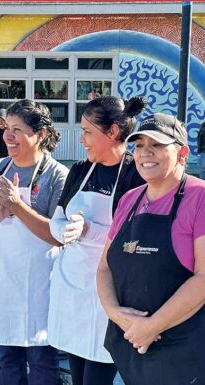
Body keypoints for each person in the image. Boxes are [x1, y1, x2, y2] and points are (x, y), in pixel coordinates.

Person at [96, 113, 205, 385]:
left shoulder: (203, 197)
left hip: (183, 347)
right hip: (131, 341)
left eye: (156, 145)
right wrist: (115, 314)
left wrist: (151, 327)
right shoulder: (130, 199)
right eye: (139, 145)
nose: (145, 153)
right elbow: (105, 267)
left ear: (182, 153)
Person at [0, 99, 68, 385]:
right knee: (6, 363)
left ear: (41, 135)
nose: (8, 136)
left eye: (18, 130)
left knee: (43, 364)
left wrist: (18, 206)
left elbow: (57, 235)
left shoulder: (58, 176)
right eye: (7, 128)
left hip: (39, 289)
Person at [47, 96, 146, 385]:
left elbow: (135, 237)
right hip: (73, 287)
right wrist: (63, 229)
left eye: (88, 132)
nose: (81, 139)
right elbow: (58, 217)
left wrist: (89, 230)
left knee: (96, 377)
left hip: (111, 293)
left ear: (113, 132)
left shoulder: (135, 174)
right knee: (77, 375)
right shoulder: (79, 170)